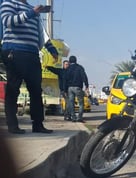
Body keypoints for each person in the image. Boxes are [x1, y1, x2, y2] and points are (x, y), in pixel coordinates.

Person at [0, 0, 58, 134]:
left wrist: (52, 49)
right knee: (13, 89)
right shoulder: (9, 4)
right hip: (14, 51)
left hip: (32, 53)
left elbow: (41, 33)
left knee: (36, 90)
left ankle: (38, 124)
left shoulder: (33, 9)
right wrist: (31, 13)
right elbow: (7, 21)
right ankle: (12, 125)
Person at [64, 55, 89, 123]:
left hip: (70, 88)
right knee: (81, 103)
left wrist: (65, 89)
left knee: (71, 103)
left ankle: (73, 117)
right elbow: (84, 76)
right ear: (76, 60)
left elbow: (65, 79)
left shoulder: (68, 69)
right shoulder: (79, 68)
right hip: (77, 87)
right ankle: (79, 117)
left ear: (69, 61)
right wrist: (86, 85)